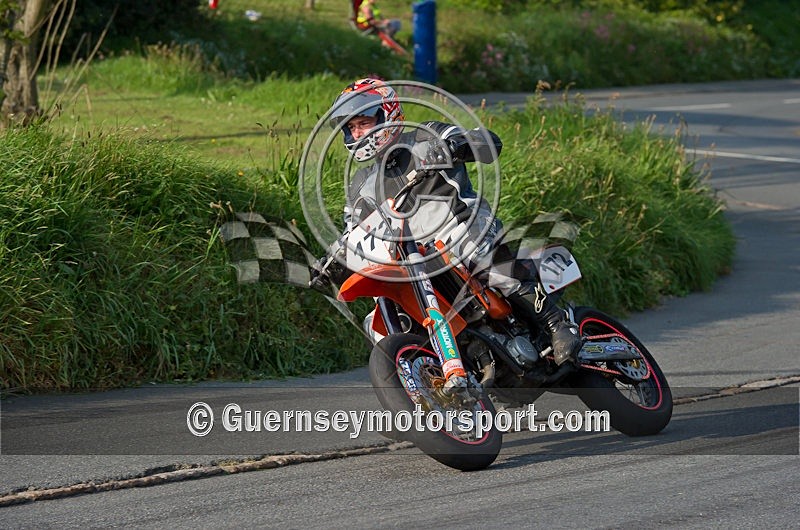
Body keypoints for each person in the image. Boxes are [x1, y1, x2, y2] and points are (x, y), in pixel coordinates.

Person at [311, 78, 582, 367]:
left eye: (363, 122)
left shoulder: (427, 136)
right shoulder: (360, 184)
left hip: (462, 228)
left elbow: (489, 142)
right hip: (413, 257)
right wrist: (333, 258)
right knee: (383, 302)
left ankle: (557, 323)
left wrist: (459, 144)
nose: (357, 132)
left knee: (480, 257)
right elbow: (353, 229)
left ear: (387, 113)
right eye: (351, 128)